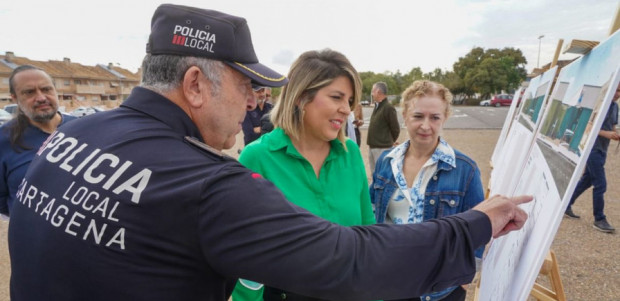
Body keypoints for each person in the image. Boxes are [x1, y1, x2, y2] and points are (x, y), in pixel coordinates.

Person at [8, 4, 532, 301]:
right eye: (246, 86)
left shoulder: (70, 138)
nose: (255, 100)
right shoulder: (207, 183)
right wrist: (474, 225)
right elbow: (348, 257)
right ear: (195, 83)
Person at [236, 49, 375, 301]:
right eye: (337, 97)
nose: (347, 109)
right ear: (300, 97)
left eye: (350, 100)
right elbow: (244, 260)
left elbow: (368, 238)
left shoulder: (350, 153)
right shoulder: (256, 158)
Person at [371, 80, 485, 301]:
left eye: (434, 118)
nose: (425, 125)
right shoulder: (386, 161)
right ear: (404, 116)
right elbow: (371, 208)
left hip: (440, 290)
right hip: (390, 281)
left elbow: (479, 225)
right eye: (418, 116)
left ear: (445, 119)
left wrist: (466, 274)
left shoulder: (464, 169)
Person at [0, 65, 76, 217]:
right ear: (14, 98)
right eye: (29, 92)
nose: (41, 98)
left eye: (46, 89)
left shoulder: (83, 128)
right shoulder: (4, 140)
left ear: (56, 91)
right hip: (31, 237)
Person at [564, 82, 620, 233]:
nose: (617, 94)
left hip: (603, 149)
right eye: (616, 90)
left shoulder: (615, 107)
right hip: (592, 150)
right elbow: (589, 128)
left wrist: (615, 134)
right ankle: (599, 219)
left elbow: (612, 126)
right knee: (600, 184)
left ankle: (566, 204)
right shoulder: (600, 106)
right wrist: (607, 134)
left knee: (587, 180)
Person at [367, 81, 400, 173]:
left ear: (378, 92)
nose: (372, 94)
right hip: (373, 147)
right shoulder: (377, 106)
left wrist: (388, 142)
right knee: (374, 173)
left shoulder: (388, 108)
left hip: (382, 148)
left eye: (372, 91)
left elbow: (395, 129)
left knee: (381, 174)